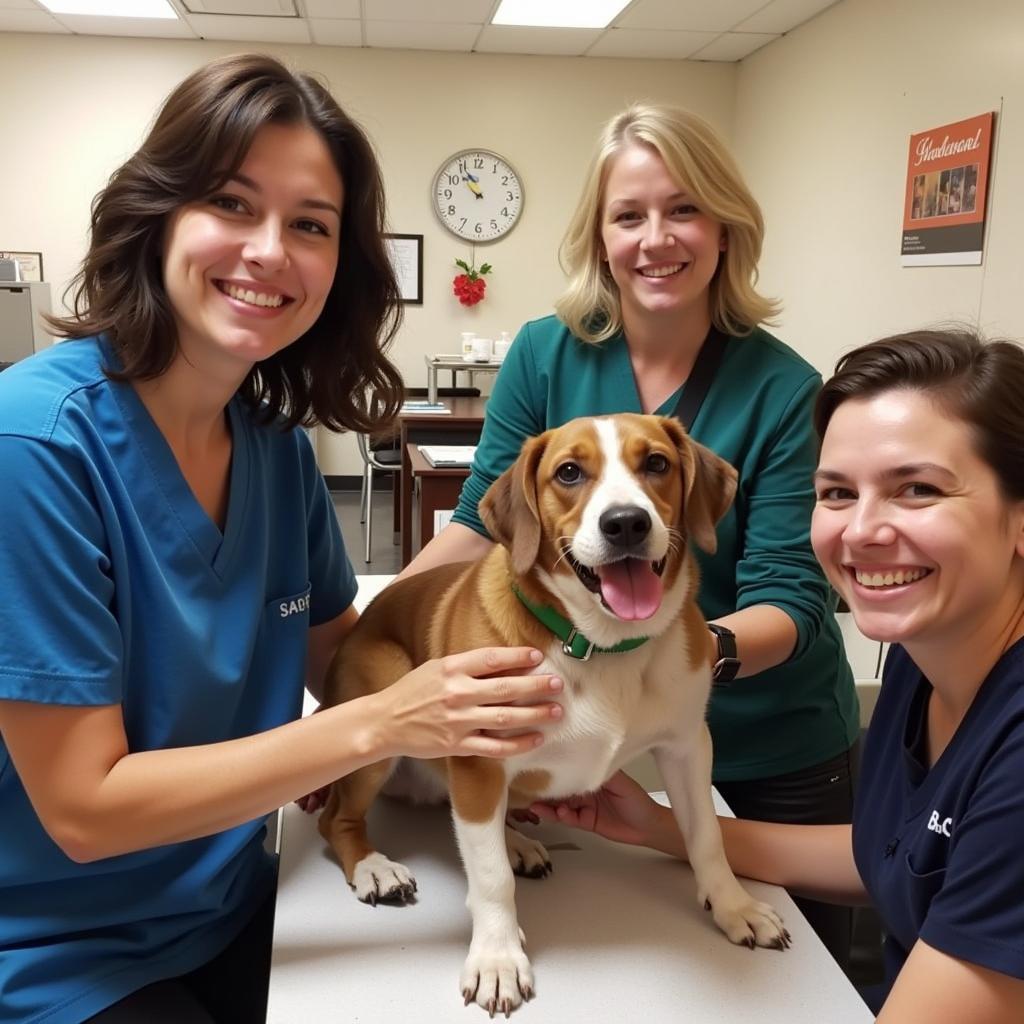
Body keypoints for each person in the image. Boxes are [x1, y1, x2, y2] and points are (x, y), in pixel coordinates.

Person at [0, 54, 562, 1024]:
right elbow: (83, 810)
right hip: (61, 951)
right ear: (156, 215)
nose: (270, 251)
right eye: (231, 202)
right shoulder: (34, 446)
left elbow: (345, 655)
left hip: (242, 898)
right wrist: (385, 725)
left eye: (310, 224)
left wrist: (506, 729)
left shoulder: (274, 447)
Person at [399, 103, 860, 963]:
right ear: (599, 235)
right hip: (582, 712)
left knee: (802, 963)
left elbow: (792, 598)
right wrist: (369, 668)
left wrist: (670, 657)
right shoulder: (545, 352)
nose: (657, 238)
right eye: (629, 215)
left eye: (684, 208)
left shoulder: (784, 389)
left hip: (767, 734)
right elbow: (479, 527)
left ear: (726, 229)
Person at [529, 328, 1024, 1022]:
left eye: (918, 489)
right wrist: (658, 827)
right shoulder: (929, 656)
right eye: (837, 493)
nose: (863, 532)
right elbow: (898, 857)